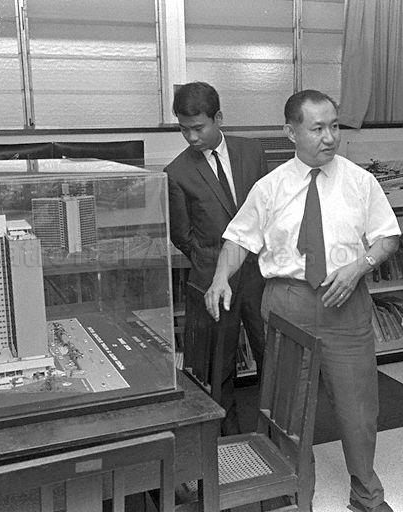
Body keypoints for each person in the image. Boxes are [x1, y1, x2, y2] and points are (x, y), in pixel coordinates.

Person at [205, 89, 400, 512]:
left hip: (346, 302)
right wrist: (221, 277)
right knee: (288, 411)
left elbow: (387, 237)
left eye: (334, 126)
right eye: (317, 128)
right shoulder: (270, 187)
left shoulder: (360, 181)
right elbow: (238, 240)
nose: (330, 137)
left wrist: (360, 265)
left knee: (359, 408)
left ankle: (366, 494)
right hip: (288, 304)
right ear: (290, 132)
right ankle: (296, 496)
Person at [165, 81, 268, 435]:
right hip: (212, 279)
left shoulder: (252, 152)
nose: (191, 137)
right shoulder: (177, 172)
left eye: (198, 127)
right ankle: (227, 441)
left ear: (218, 118)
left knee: (270, 355)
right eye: (184, 129)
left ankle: (274, 437)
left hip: (259, 274)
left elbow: (269, 208)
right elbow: (181, 235)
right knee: (219, 367)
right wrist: (211, 260)